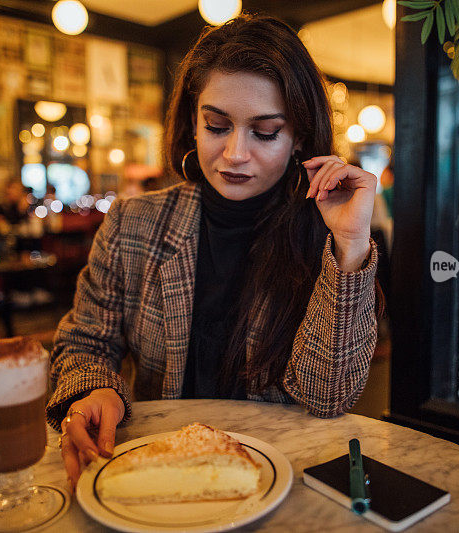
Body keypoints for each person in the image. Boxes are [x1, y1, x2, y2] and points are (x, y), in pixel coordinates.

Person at [47, 13, 382, 488]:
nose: (234, 154)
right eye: (217, 126)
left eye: (264, 132)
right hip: (160, 469)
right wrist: (95, 388)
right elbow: (86, 342)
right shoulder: (134, 223)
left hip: (275, 479)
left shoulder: (324, 234)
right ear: (193, 120)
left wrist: (349, 246)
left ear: (299, 138)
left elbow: (328, 396)